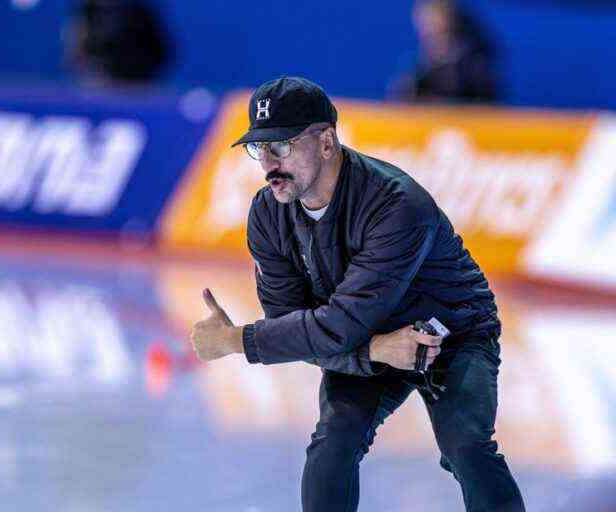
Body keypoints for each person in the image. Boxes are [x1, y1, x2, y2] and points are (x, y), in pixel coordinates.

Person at [190, 76, 525, 512]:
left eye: (283, 146)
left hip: (452, 333)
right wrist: (374, 351)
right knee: (333, 441)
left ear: (326, 142)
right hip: (364, 340)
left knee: (467, 446)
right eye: (260, 148)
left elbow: (333, 326)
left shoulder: (397, 204)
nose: (269, 162)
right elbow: (291, 327)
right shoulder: (268, 214)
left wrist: (236, 340)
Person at [391, 0, 499, 103]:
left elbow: (483, 105)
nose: (428, 30)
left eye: (434, 21)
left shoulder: (473, 66)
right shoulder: (419, 67)